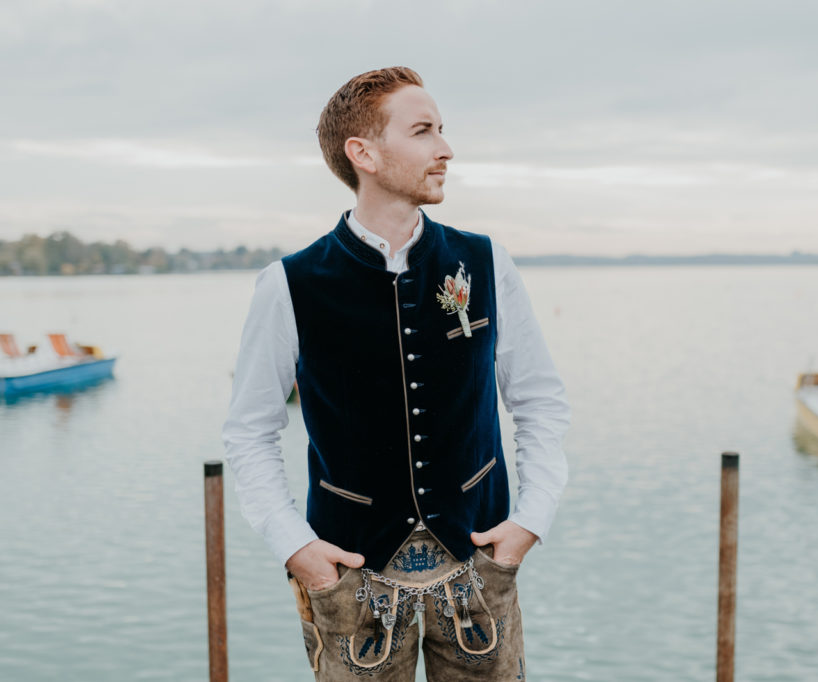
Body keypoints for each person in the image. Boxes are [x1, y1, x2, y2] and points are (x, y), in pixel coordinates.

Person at [222, 66, 569, 681]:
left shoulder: (485, 262)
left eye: (442, 129)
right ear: (365, 154)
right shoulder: (289, 285)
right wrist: (296, 548)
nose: (445, 148)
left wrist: (530, 522)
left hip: (479, 567)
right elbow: (249, 430)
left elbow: (538, 399)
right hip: (350, 581)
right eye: (423, 131)